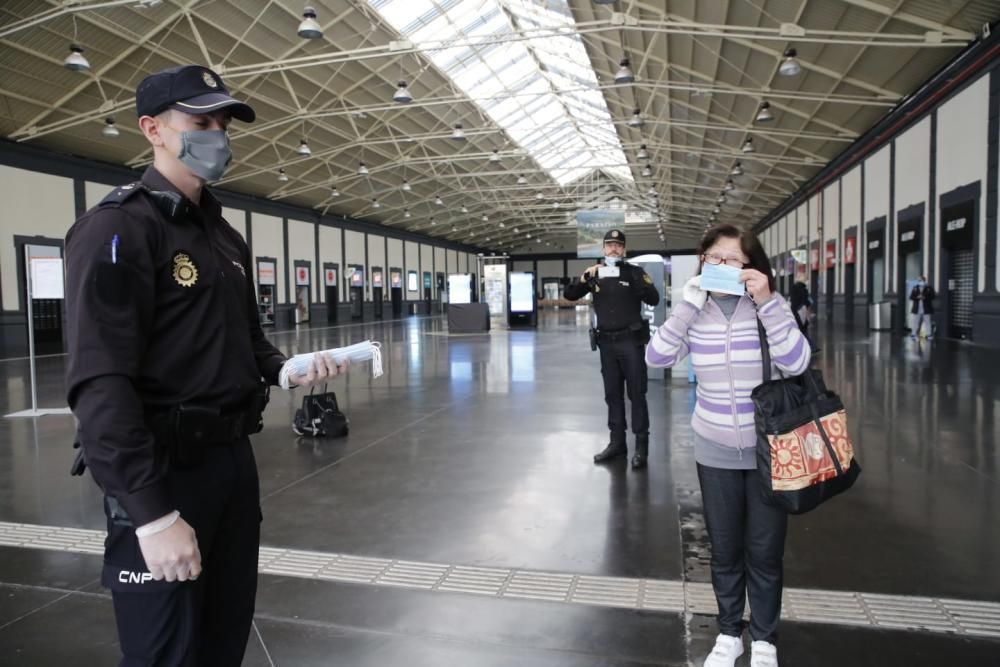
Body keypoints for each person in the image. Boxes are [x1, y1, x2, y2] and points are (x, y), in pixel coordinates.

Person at [65, 65, 347, 667]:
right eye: (200, 122)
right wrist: (151, 513)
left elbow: (245, 336)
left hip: (231, 465)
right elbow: (99, 383)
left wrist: (283, 370)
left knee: (223, 639)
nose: (217, 134)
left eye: (223, 123)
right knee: (166, 652)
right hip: (164, 469)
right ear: (154, 130)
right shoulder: (118, 228)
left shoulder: (223, 236)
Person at [645, 224, 810, 667]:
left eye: (734, 260)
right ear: (702, 262)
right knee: (724, 548)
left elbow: (797, 361)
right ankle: (729, 632)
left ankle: (765, 638)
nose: (722, 267)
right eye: (714, 259)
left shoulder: (768, 308)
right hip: (713, 448)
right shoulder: (695, 313)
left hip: (768, 451)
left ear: (751, 267)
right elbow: (656, 357)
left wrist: (769, 303)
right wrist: (685, 305)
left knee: (764, 549)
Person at [564, 229, 660, 468]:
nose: (614, 249)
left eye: (618, 245)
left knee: (636, 394)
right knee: (612, 395)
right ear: (603, 249)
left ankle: (641, 446)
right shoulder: (595, 274)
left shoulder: (635, 273)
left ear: (624, 249)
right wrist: (584, 279)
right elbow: (570, 296)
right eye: (610, 245)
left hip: (631, 343)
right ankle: (617, 443)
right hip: (606, 343)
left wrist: (641, 284)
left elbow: (654, 299)